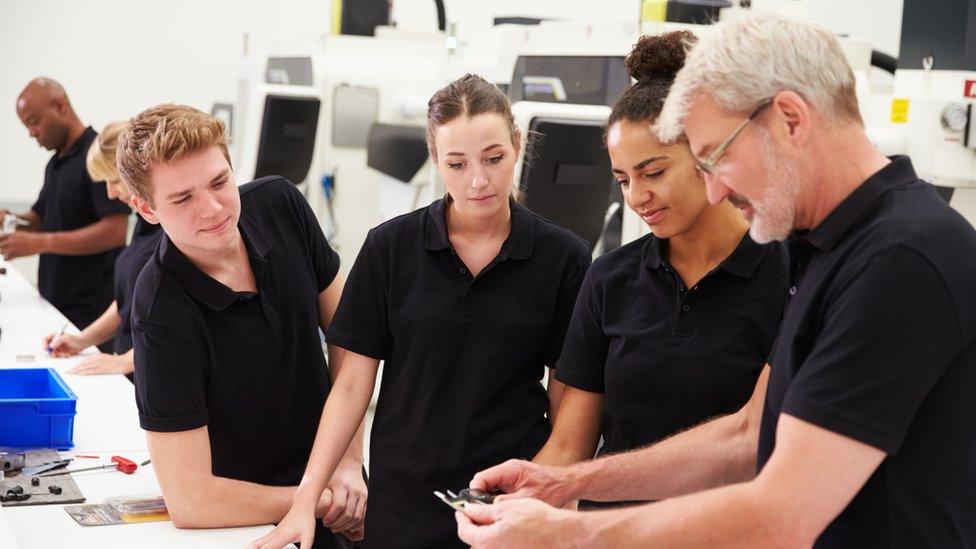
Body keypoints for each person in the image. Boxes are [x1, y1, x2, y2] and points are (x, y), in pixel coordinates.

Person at [458, 12, 976, 548]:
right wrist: (567, 481)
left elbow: (783, 511)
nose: (716, 192)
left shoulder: (900, 259)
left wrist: (571, 535)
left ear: (791, 119)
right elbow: (748, 433)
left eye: (718, 157)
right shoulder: (827, 250)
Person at [250, 74, 591, 549]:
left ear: (518, 145)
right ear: (435, 160)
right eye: (457, 163)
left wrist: (552, 493)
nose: (478, 180)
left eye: (494, 158)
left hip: (509, 499)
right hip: (404, 501)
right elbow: (350, 386)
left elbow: (568, 396)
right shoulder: (390, 248)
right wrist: (305, 499)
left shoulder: (564, 257)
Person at [533, 32, 787, 502]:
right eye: (622, 180)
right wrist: (513, 499)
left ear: (708, 155)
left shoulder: (789, 275)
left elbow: (761, 442)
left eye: (653, 173)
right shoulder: (610, 279)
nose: (636, 197)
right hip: (610, 530)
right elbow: (569, 447)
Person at [118, 104, 366, 547]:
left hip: (338, 478)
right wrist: (314, 499)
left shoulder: (280, 203)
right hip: (248, 519)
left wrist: (347, 461)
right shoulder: (160, 311)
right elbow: (192, 502)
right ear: (146, 209)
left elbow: (352, 336)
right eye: (183, 198)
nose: (212, 208)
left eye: (219, 182)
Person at [3, 78, 129, 339]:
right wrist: (11, 219)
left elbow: (115, 231)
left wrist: (40, 243)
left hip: (91, 311)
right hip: (54, 303)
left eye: (34, 121)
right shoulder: (56, 164)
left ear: (60, 106)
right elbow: (39, 218)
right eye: (26, 126)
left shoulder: (96, 156)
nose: (31, 132)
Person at [42, 121, 163, 376]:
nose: (109, 193)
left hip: (155, 372)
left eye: (113, 180)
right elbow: (126, 304)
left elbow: (183, 317)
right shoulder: (144, 223)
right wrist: (81, 340)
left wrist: (129, 360)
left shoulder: (174, 231)